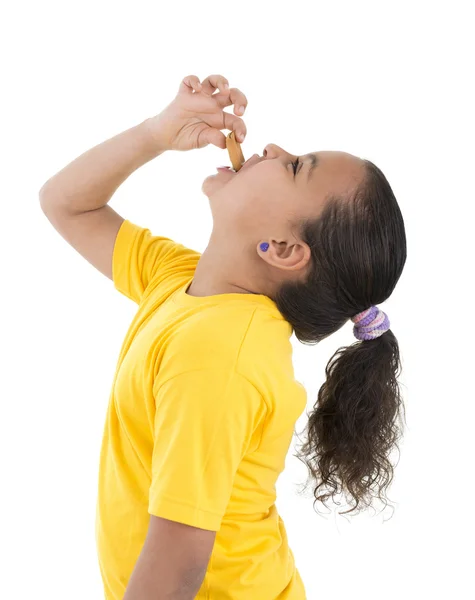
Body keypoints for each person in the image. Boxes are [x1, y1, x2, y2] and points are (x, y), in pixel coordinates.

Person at [39, 73, 407, 600]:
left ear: (281, 248)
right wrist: (156, 134)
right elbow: (66, 203)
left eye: (297, 166)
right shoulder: (178, 281)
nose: (275, 149)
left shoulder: (220, 355)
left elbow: (178, 563)